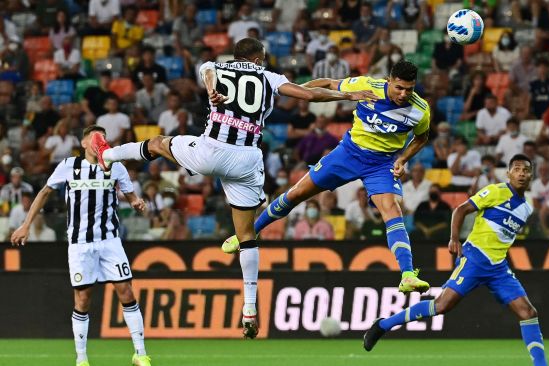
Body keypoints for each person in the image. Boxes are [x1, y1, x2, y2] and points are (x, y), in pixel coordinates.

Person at [92, 38, 377, 339]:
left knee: (158, 143)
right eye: (263, 59)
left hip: (210, 151)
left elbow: (206, 71)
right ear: (257, 59)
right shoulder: (269, 77)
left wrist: (213, 88)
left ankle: (107, 155)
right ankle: (250, 308)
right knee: (246, 237)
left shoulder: (218, 67)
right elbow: (307, 95)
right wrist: (347, 96)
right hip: (246, 160)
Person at [225, 58, 432, 296]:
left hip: (381, 163)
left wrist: (403, 158)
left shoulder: (420, 109)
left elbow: (421, 137)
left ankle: (407, 275)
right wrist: (301, 91)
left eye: (410, 89)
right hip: (348, 153)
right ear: (389, 81)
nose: (404, 94)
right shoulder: (366, 86)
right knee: (296, 194)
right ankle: (247, 234)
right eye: (399, 88)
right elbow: (330, 83)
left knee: (393, 211)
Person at [363, 154, 549, 366]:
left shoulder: (526, 208)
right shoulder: (496, 191)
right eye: (517, 169)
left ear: (531, 174)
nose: (521, 174)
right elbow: (461, 209)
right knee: (441, 306)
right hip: (474, 259)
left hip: (498, 268)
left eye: (525, 170)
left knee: (528, 312)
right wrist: (454, 239)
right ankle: (384, 325)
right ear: (508, 173)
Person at [10, 125, 151, 366]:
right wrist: (25, 224)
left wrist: (137, 202)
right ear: (85, 143)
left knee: (126, 291)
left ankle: (140, 353)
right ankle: (82, 359)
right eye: (96, 138)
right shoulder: (68, 166)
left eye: (104, 138)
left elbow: (130, 195)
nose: (101, 141)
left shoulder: (116, 167)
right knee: (83, 299)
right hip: (80, 244)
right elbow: (45, 192)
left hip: (109, 240)